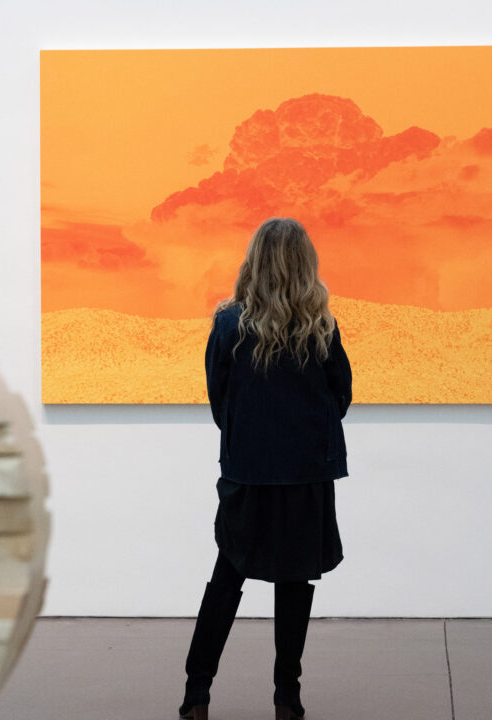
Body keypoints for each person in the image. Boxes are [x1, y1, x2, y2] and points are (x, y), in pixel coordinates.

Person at [178, 217, 353, 720]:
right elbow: (339, 397)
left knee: (226, 578)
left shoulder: (228, 324)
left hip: (247, 474)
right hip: (304, 474)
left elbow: (219, 399)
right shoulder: (321, 325)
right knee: (295, 582)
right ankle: (286, 698)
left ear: (253, 262)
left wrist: (248, 438)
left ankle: (196, 693)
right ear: (304, 265)